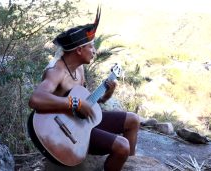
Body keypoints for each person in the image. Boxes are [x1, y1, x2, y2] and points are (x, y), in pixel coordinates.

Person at [28, 7, 140, 171]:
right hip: (65, 133)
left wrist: (107, 94)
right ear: (79, 50)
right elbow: (35, 100)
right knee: (122, 146)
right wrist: (76, 104)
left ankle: (132, 167)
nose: (94, 51)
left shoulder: (79, 69)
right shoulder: (56, 71)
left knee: (133, 120)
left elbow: (89, 103)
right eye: (91, 47)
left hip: (81, 124)